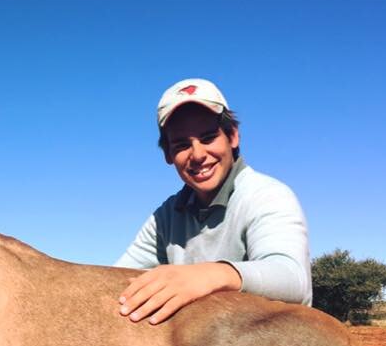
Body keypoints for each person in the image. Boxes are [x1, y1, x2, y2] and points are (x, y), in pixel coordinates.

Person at [116, 78, 312, 324]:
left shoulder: (267, 194)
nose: (197, 154)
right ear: (168, 154)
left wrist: (209, 275)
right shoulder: (167, 215)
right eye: (182, 145)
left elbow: (293, 280)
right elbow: (119, 277)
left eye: (208, 138)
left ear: (233, 137)